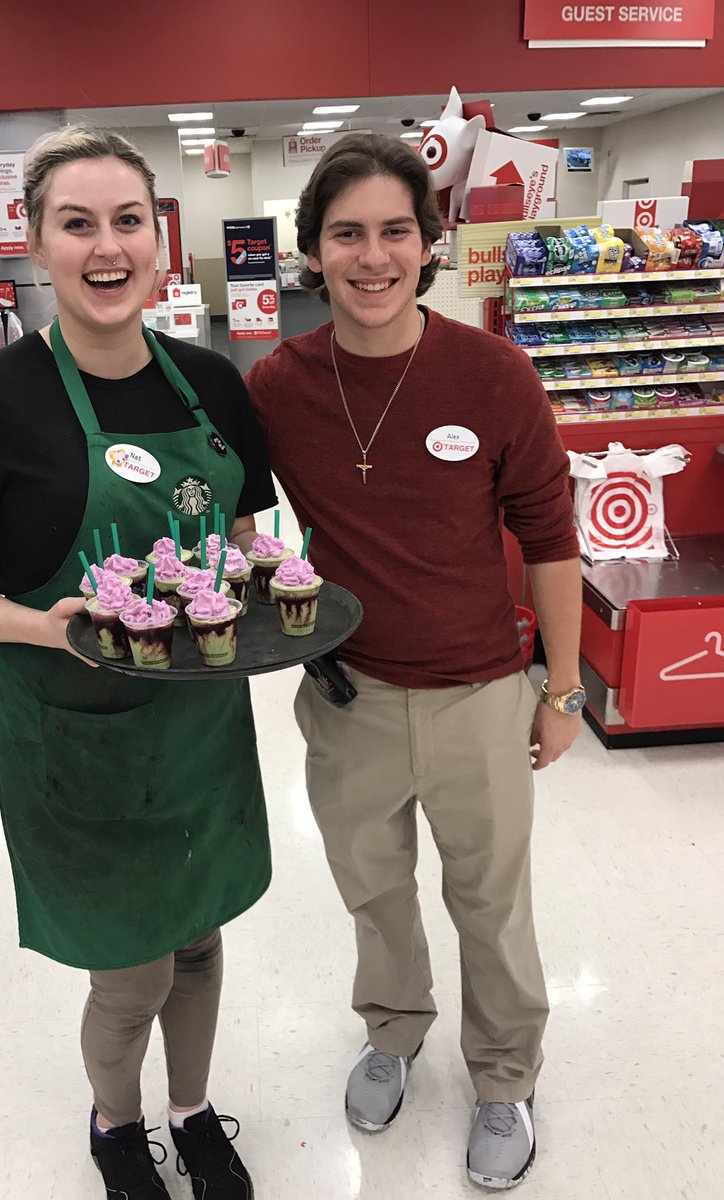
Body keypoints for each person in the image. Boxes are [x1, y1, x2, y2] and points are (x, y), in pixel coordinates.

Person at [0, 126, 277, 1200]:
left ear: (160, 246)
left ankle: (194, 1109)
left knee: (202, 944)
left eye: (128, 221)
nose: (106, 246)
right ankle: (117, 1125)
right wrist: (54, 624)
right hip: (76, 734)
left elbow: (250, 538)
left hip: (199, 722)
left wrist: (264, 585)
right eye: (78, 224)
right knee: (133, 973)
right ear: (35, 245)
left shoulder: (213, 383)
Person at [245, 133, 584, 1191]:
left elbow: (549, 539)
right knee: (374, 891)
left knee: (491, 901)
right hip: (346, 696)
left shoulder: (492, 373)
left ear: (429, 245)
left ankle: (504, 1076)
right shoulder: (278, 385)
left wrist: (561, 689)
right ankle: (392, 1029)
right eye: (347, 233)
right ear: (312, 252)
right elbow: (250, 523)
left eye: (396, 230)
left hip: (481, 693)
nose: (373, 255)